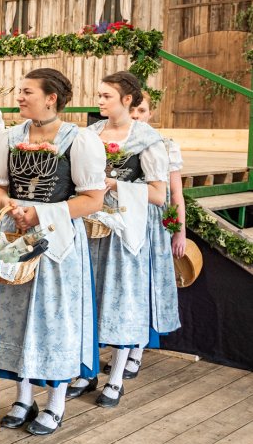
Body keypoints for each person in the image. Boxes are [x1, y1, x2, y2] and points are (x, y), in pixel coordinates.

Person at [0, 68, 105, 436]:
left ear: (51, 98)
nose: (20, 97)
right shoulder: (8, 138)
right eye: (20, 91)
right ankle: (23, 398)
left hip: (56, 240)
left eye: (28, 92)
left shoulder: (79, 140)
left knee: (54, 318)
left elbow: (93, 199)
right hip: (15, 234)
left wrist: (41, 213)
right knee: (14, 312)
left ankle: (56, 402)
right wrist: (11, 205)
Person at [67, 72, 173, 408]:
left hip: (124, 230)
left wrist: (115, 185)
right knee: (87, 298)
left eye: (106, 96)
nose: (99, 101)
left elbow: (159, 195)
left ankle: (115, 379)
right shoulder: (90, 134)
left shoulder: (147, 139)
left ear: (127, 100)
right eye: (99, 95)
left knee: (121, 299)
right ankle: (86, 371)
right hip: (89, 226)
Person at [128, 93, 184, 374]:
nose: (136, 115)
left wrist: (179, 232)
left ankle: (137, 349)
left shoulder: (164, 145)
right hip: (123, 217)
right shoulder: (117, 141)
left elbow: (175, 194)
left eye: (142, 110)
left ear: (150, 113)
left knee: (146, 283)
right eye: (132, 110)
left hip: (151, 221)